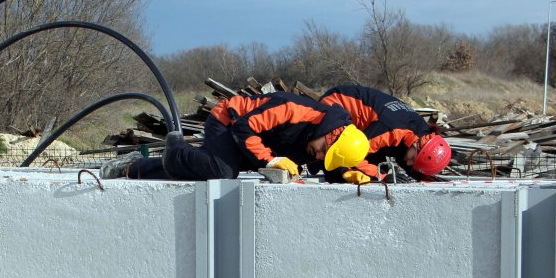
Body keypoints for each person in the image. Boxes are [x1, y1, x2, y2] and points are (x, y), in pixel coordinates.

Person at [99, 92, 369, 181]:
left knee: (203, 170)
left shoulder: (322, 138)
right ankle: (176, 149)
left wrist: (344, 174)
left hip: (258, 142)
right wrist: (270, 161)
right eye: (324, 150)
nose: (319, 156)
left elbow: (326, 163)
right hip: (229, 121)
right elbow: (244, 128)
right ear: (331, 134)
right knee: (222, 171)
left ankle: (131, 167)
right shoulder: (294, 110)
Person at [317, 84, 453, 183]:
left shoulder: (420, 131)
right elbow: (353, 153)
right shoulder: (391, 129)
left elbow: (403, 154)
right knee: (344, 163)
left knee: (378, 167)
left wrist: (426, 178)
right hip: (333, 105)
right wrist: (381, 177)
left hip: (362, 120)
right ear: (418, 146)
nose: (408, 162)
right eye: (412, 159)